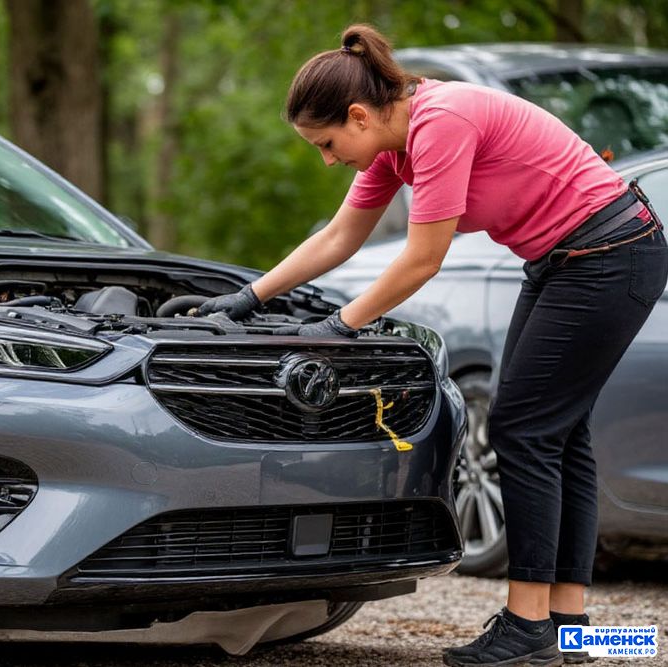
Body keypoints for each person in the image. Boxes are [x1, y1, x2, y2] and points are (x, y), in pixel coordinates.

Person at [197, 23, 668, 667]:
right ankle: (568, 629)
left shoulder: (440, 120)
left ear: (359, 115)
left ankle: (527, 626)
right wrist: (250, 297)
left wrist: (341, 326)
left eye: (328, 144)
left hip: (609, 254)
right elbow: (339, 236)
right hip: (567, 260)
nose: (329, 159)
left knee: (524, 431)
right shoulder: (393, 149)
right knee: (558, 433)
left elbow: (423, 259)